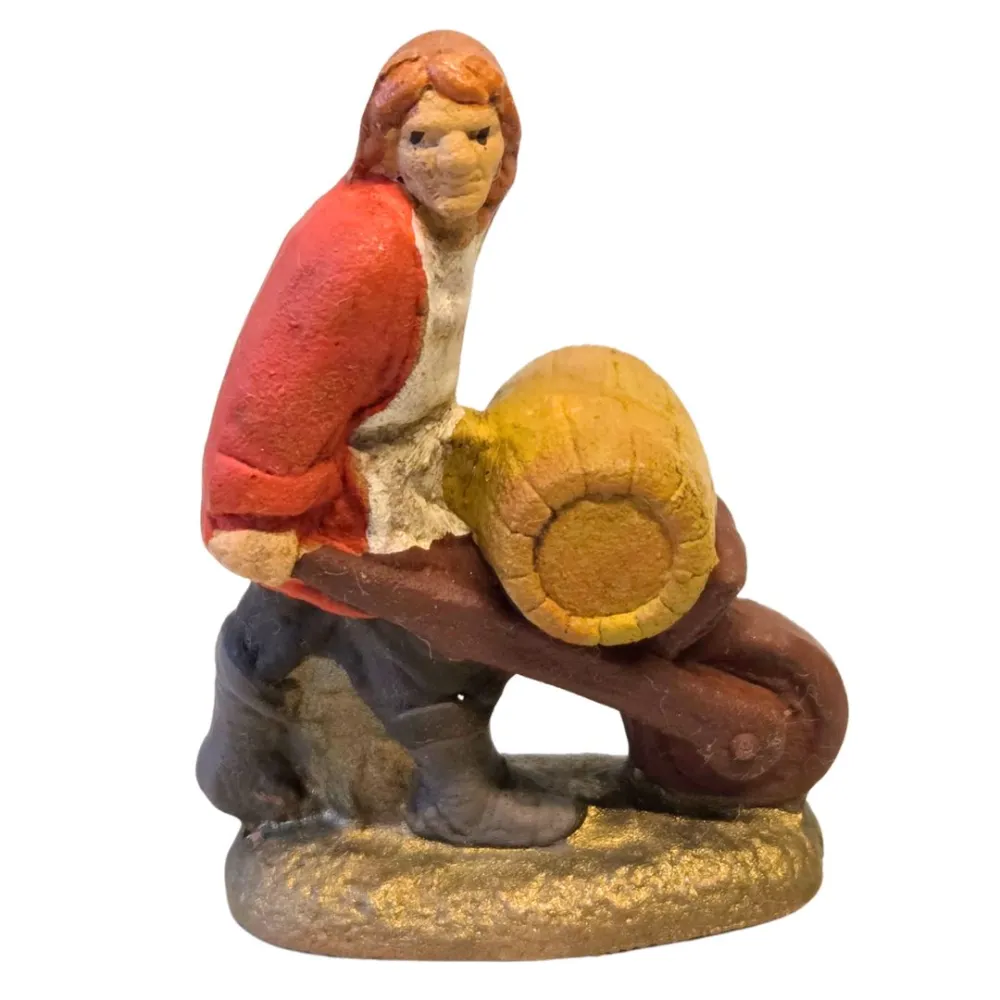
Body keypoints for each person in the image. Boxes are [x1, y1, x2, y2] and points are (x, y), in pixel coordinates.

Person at [198, 31, 585, 847]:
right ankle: (456, 795)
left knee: (305, 614)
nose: (457, 159)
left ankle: (237, 759)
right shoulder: (367, 245)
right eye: (424, 138)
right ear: (386, 146)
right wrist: (255, 509)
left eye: (479, 134)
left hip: (396, 449)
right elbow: (283, 376)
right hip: (346, 480)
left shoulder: (443, 226)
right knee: (442, 622)